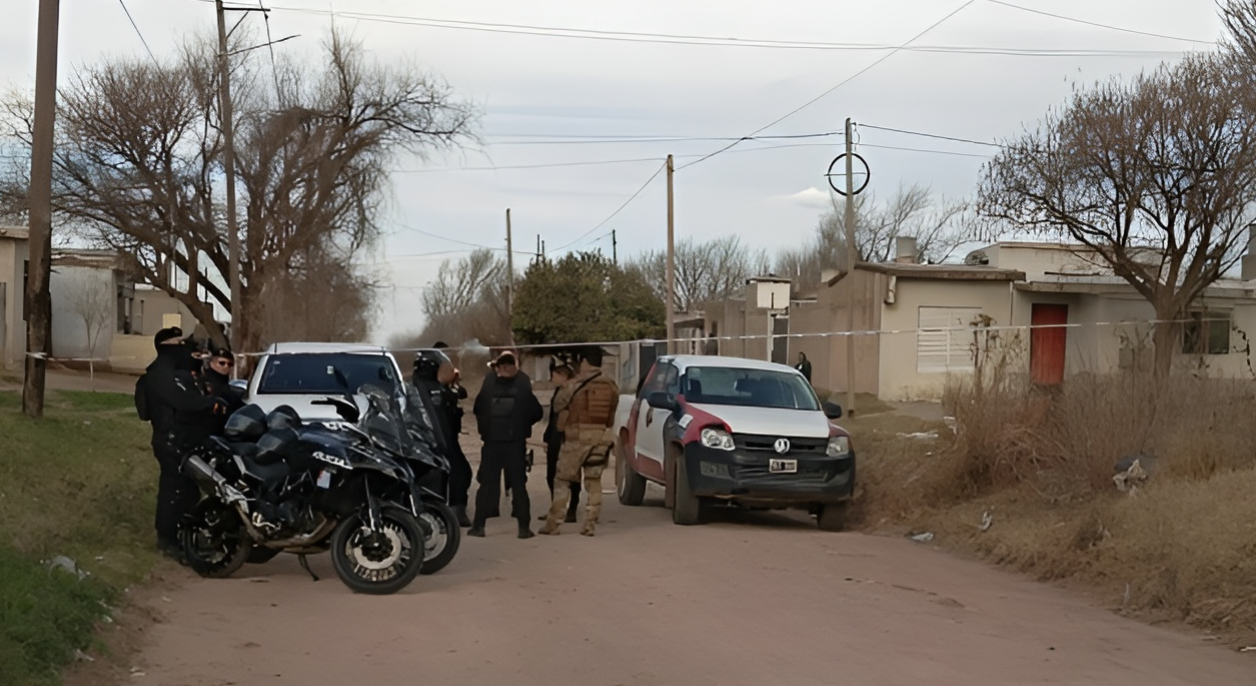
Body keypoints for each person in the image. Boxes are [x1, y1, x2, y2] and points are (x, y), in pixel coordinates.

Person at [135, 327, 225, 561]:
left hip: (184, 440)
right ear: (167, 348)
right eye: (178, 344)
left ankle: (184, 540)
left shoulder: (175, 372)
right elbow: (181, 401)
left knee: (187, 492)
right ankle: (168, 540)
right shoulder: (159, 375)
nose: (184, 349)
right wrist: (207, 404)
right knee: (172, 491)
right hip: (169, 441)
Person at [541, 347, 619, 536]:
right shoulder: (611, 385)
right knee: (594, 481)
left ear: (584, 361)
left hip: (577, 438)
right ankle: (589, 524)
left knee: (562, 480)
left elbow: (558, 404)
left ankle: (553, 524)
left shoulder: (575, 383)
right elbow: (612, 411)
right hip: (601, 437)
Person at [470, 352, 543, 539]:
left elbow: (478, 409)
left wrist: (485, 430)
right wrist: (522, 425)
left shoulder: (488, 384)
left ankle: (479, 526)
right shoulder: (522, 383)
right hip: (515, 444)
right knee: (519, 486)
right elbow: (537, 412)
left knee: (486, 485)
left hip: (492, 443)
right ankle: (524, 528)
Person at [412, 349, 474, 527]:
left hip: (440, 441)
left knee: (459, 473)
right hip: (437, 443)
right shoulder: (426, 389)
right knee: (457, 473)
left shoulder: (422, 387)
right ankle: (448, 513)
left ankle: (451, 511)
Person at [539, 361, 580, 523]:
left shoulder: (574, 392)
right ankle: (556, 508)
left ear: (564, 376)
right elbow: (553, 418)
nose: (552, 380)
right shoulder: (558, 392)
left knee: (573, 476)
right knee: (551, 475)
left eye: (554, 376)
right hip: (555, 437)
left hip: (569, 437)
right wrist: (547, 437)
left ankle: (572, 509)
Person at [200, 347, 244, 435]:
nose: (226, 366)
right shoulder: (205, 383)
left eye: (230, 364)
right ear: (212, 363)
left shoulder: (225, 384)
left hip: (227, 428)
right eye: (222, 363)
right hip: (208, 430)